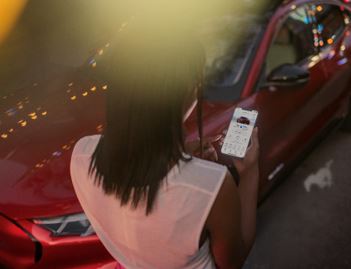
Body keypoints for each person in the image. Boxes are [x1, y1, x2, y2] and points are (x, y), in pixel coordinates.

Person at [70, 17, 259, 269]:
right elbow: (233, 261)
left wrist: (186, 157)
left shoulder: (81, 154)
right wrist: (249, 171)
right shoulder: (211, 187)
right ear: (188, 92)